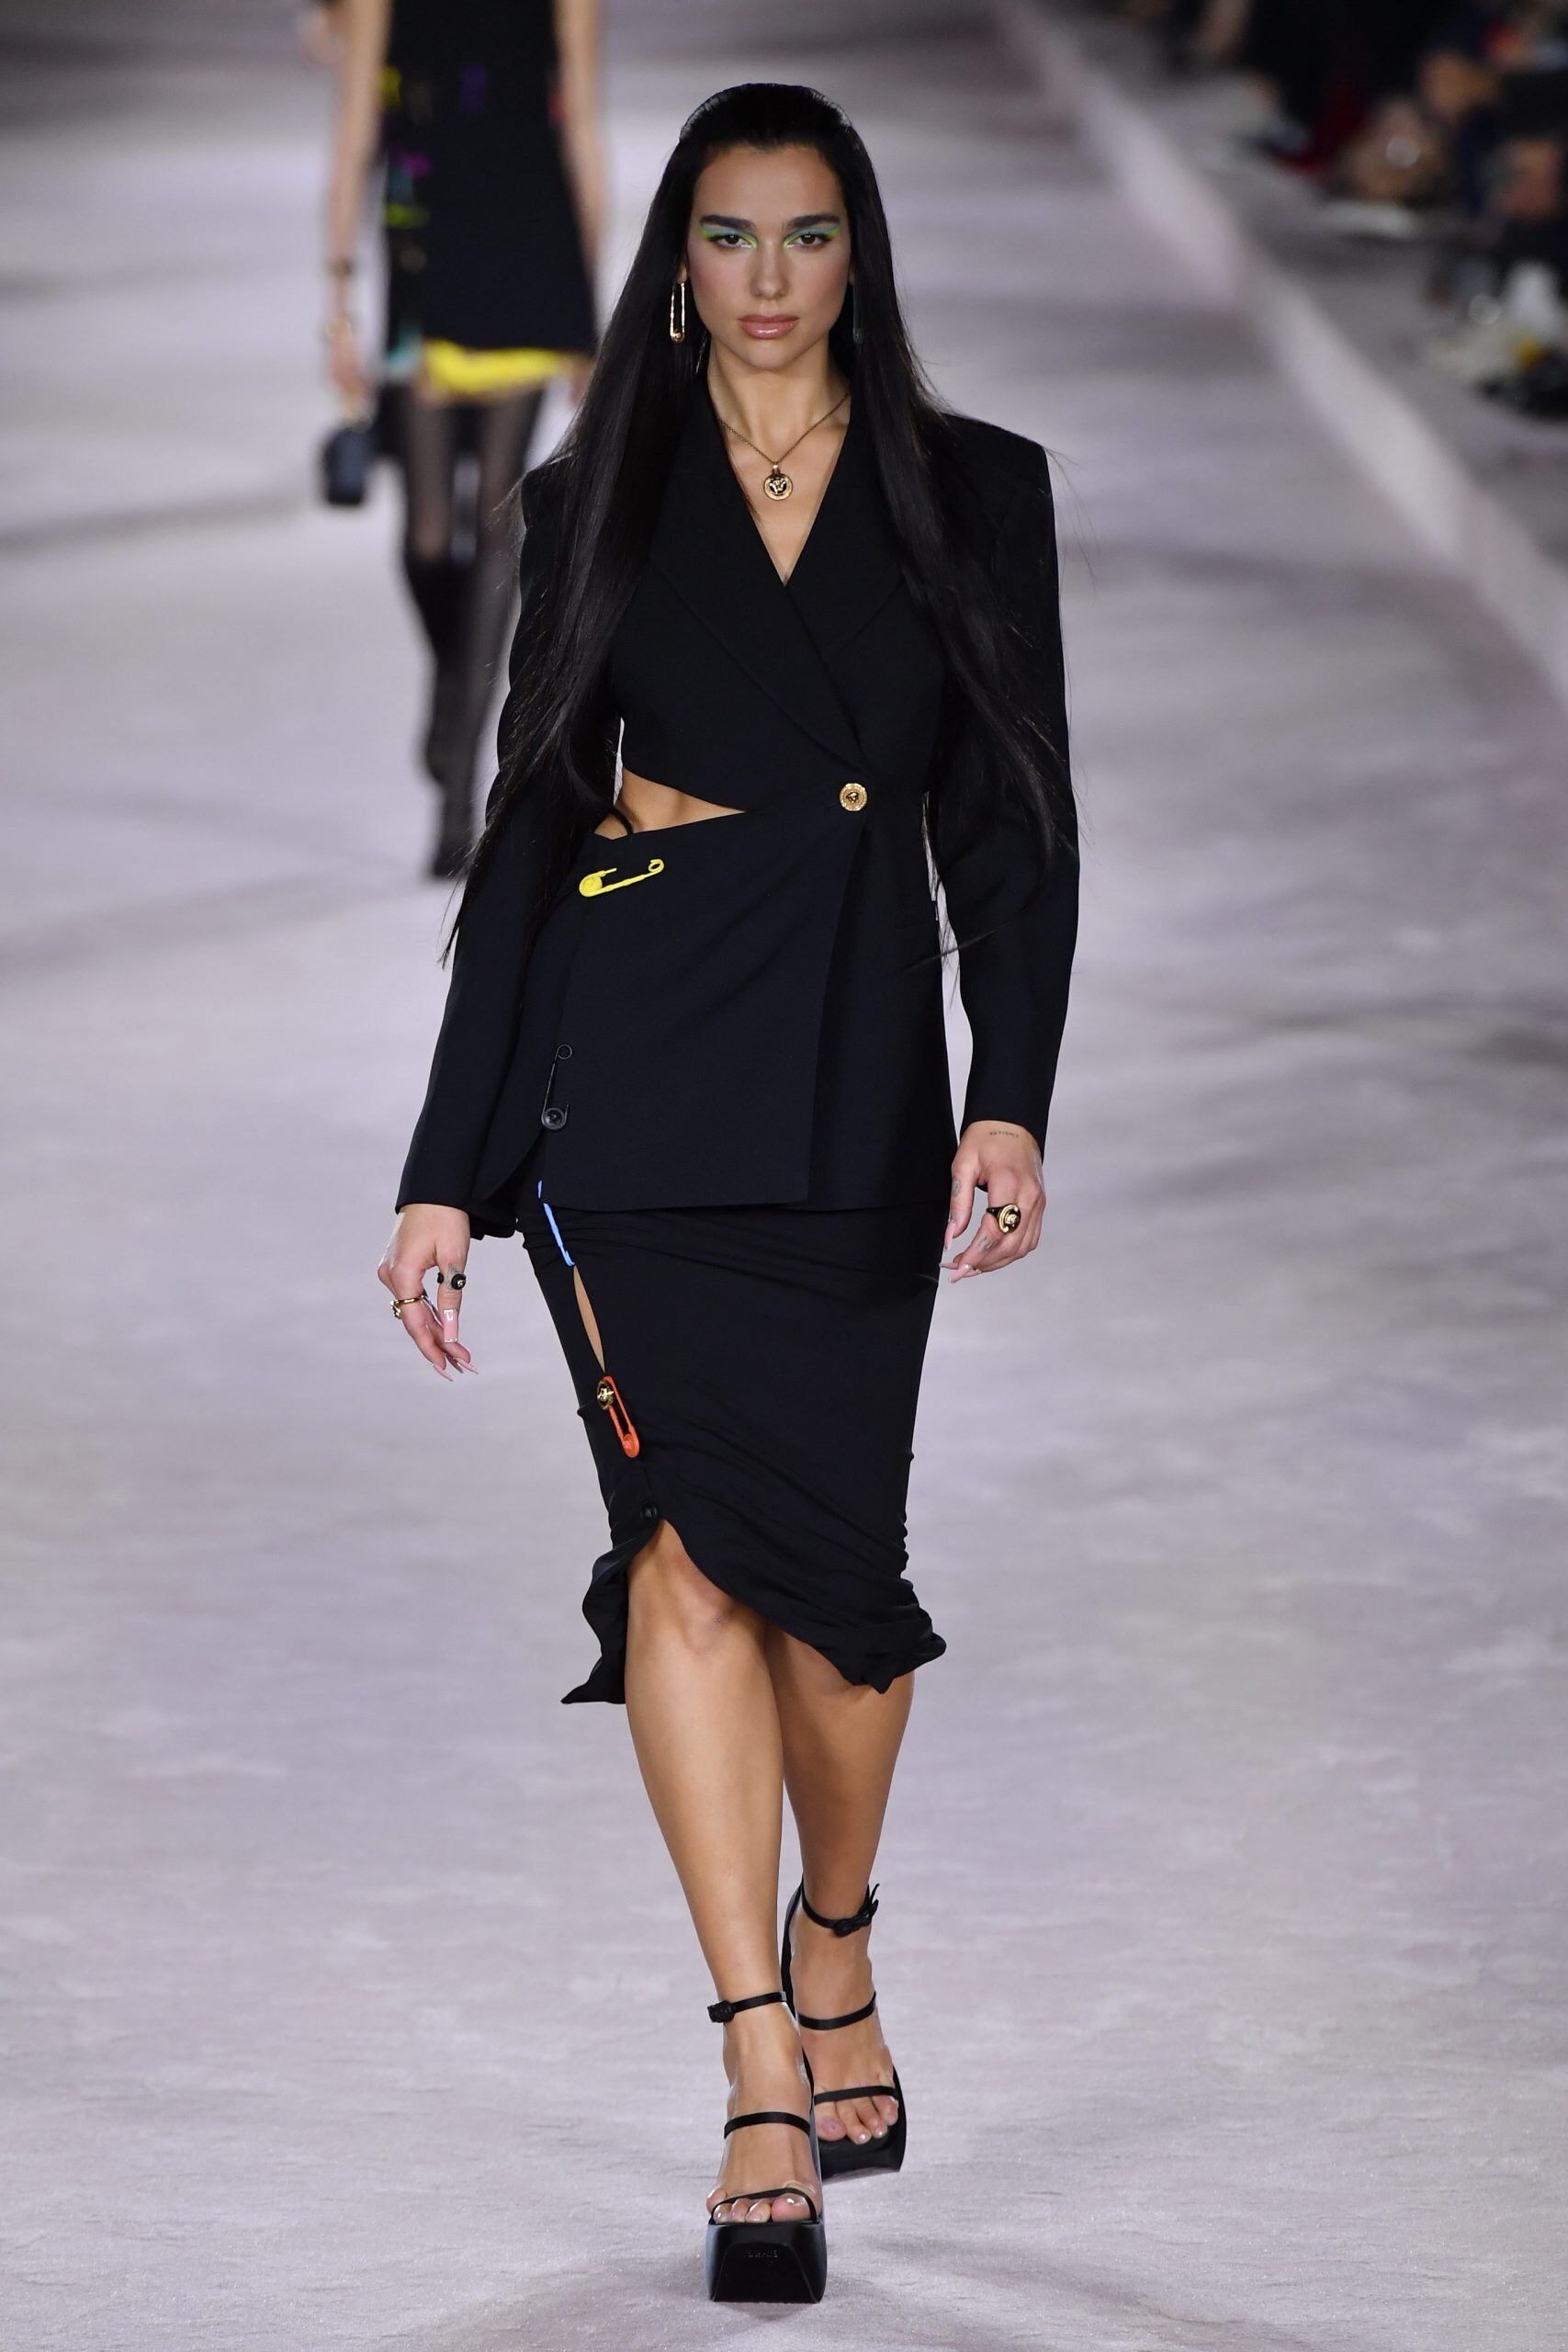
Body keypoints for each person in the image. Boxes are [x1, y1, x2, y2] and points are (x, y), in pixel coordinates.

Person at [379, 82, 1077, 2304]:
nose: (766, 278)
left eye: (805, 233)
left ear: (859, 254)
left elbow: (1012, 824)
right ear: (671, 266)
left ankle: (835, 1927)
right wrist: (443, 1168)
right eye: (725, 235)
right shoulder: (597, 489)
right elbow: (527, 827)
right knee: (681, 1567)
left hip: (854, 1069)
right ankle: (759, 2060)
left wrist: (1008, 1094)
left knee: (841, 1610)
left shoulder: (971, 490)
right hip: (639, 1070)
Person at [323, 0, 603, 876]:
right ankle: (454, 687)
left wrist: (588, 314)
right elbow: (358, 124)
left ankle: (456, 808)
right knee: (426, 534)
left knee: (496, 520)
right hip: (425, 252)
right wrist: (337, 297)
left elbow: (579, 123)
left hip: (529, 248)